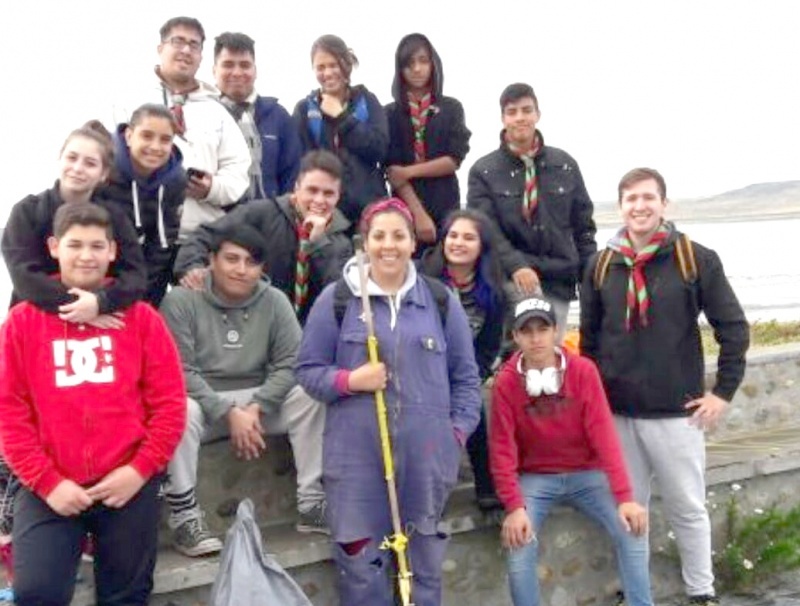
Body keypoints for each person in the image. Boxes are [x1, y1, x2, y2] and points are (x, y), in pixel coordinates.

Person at [295, 198, 482, 606]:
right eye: (379, 236)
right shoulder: (338, 299)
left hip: (426, 458)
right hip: (355, 458)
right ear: (365, 242)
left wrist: (454, 436)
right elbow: (308, 370)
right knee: (361, 566)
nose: (389, 246)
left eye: (399, 235)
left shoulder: (440, 301)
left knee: (424, 567)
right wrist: (350, 380)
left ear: (413, 242)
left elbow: (467, 379)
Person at [0, 203, 186, 606]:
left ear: (113, 252)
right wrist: (49, 483)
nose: (86, 255)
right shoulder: (21, 323)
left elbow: (170, 405)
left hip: (126, 481)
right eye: (75, 244)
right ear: (54, 247)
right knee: (37, 594)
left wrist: (139, 470)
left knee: (128, 595)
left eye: (97, 246)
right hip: (51, 486)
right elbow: (9, 416)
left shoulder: (142, 319)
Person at [580, 168, 750, 605]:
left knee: (688, 510)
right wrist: (593, 406)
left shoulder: (695, 258)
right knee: (629, 512)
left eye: (648, 197)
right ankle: (638, 592)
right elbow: (591, 342)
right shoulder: (601, 265)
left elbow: (732, 327)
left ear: (664, 204)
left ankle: (701, 592)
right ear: (620, 207)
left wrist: (723, 392)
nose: (640, 206)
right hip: (618, 415)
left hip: (678, 413)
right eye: (631, 198)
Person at [160, 224, 327, 557]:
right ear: (212, 260)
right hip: (203, 403)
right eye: (231, 259)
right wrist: (227, 412)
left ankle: (312, 502)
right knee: (178, 408)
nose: (240, 269)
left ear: (261, 268)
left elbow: (291, 363)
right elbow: (179, 370)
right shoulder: (180, 300)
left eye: (250, 262)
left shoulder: (275, 300)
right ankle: (184, 516)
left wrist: (256, 407)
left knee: (312, 395)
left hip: (257, 402)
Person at [490, 295, 653, 606]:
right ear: (515, 337)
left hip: (587, 474)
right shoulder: (507, 383)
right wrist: (513, 506)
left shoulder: (583, 371)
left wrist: (625, 499)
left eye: (543, 328)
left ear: (556, 332)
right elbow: (501, 449)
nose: (536, 338)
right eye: (527, 331)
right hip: (535, 479)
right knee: (518, 543)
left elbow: (605, 436)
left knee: (632, 529)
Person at [467, 83, 596, 340]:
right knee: (513, 362)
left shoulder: (565, 165)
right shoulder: (483, 171)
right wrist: (517, 266)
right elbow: (486, 229)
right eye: (512, 112)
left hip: (557, 280)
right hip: (511, 282)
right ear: (503, 119)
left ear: (538, 114)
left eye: (527, 110)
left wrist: (591, 277)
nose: (520, 118)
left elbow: (583, 226)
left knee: (550, 360)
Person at [174, 150, 352, 324]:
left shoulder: (342, 241)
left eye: (328, 193)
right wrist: (192, 266)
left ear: (338, 196)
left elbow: (338, 297)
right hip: (255, 323)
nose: (319, 200)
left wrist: (318, 243)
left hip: (310, 333)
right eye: (312, 190)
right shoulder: (263, 213)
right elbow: (206, 235)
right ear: (297, 187)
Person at [114, 16, 250, 238]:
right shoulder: (128, 101)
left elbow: (238, 170)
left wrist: (211, 188)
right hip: (137, 234)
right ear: (160, 48)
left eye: (194, 45)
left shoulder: (217, 111)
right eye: (177, 42)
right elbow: (108, 157)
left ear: (201, 56)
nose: (186, 50)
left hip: (200, 238)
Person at [1, 120, 146, 321]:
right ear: (59, 159)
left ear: (103, 174)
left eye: (90, 163)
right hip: (35, 318)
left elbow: (135, 276)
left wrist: (100, 302)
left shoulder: (116, 217)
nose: (78, 168)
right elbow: (23, 275)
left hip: (106, 319)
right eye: (71, 158)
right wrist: (78, 307)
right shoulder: (27, 212)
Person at [419, 208, 505, 510]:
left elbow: (488, 347)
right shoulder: (420, 279)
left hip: (461, 374)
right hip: (419, 371)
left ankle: (487, 488)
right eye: (453, 235)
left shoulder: (494, 292)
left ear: (482, 246)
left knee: (474, 411)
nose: (458, 243)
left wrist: (469, 379)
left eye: (469, 237)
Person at [385, 33, 471, 249]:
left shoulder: (452, 108)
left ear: (434, 64)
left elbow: (453, 159)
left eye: (423, 61)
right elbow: (394, 172)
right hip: (404, 206)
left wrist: (409, 172)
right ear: (400, 69)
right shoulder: (390, 113)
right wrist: (419, 215)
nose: (417, 69)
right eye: (409, 63)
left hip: (446, 200)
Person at [292, 34, 388, 225]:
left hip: (368, 210)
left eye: (333, 65)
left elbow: (379, 150)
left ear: (346, 65)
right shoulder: (304, 110)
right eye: (320, 67)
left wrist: (343, 118)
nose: (327, 73)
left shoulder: (368, 102)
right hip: (324, 212)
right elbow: (299, 164)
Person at [104, 103, 186, 306]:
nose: (156, 147)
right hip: (100, 269)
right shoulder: (104, 169)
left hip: (144, 275)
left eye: (165, 140)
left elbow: (163, 242)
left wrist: (137, 289)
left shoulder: (175, 180)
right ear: (129, 136)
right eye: (147, 136)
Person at [213, 32, 303, 201]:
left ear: (255, 71)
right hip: (215, 220)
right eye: (228, 64)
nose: (237, 72)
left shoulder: (278, 116)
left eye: (245, 65)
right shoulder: (203, 115)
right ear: (214, 70)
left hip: (268, 219)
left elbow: (292, 174)